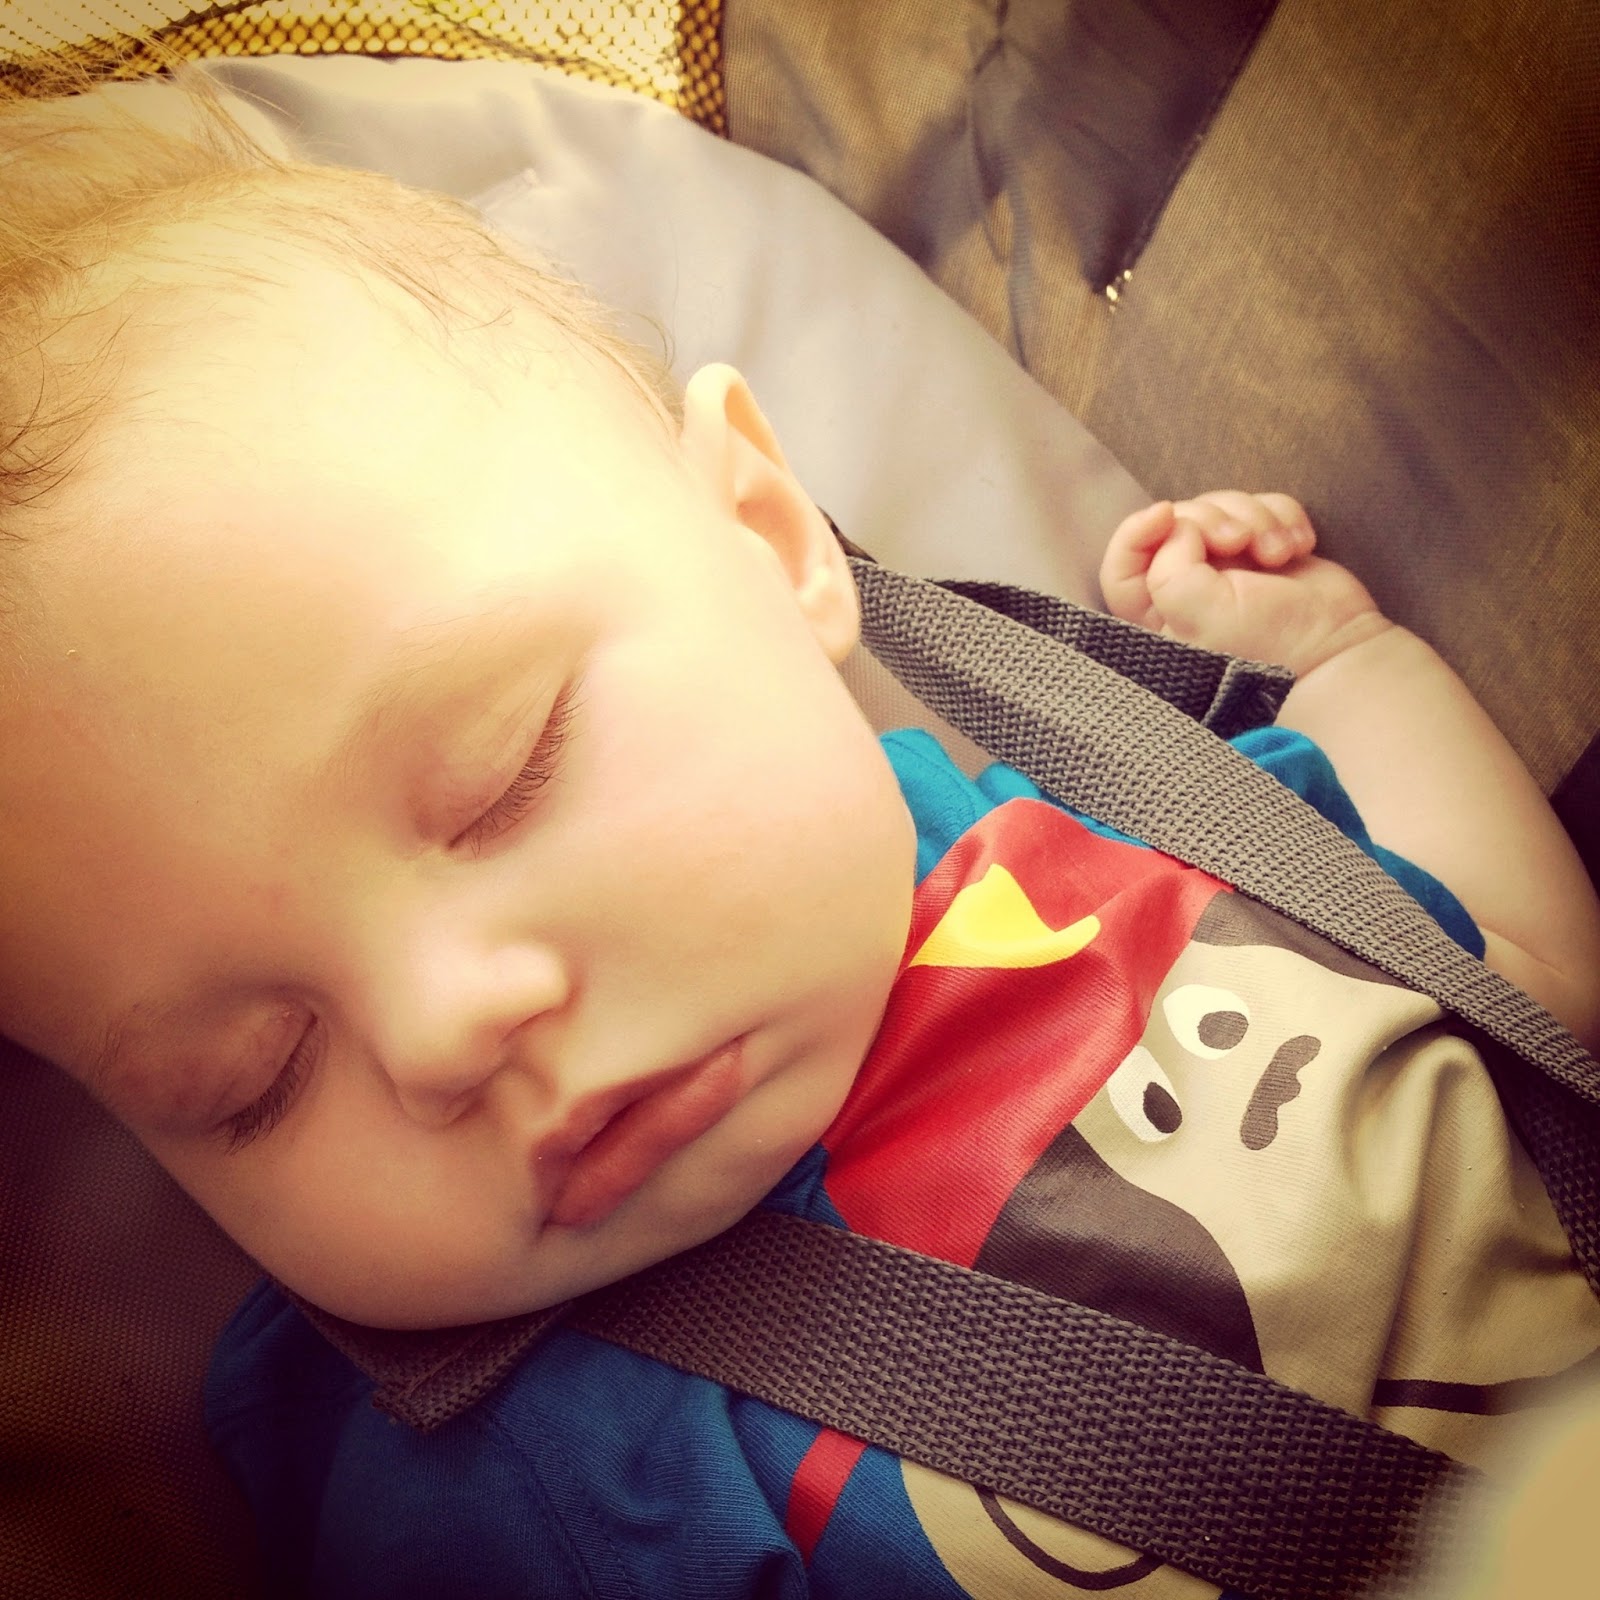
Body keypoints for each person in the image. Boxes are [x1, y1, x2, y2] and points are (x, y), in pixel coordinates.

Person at [3, 69, 1599, 1599]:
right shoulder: (527, 1504)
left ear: (770, 540)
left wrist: (1349, 666)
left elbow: (1527, 998)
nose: (443, 1032)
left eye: (505, 776)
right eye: (249, 1081)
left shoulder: (1137, 811)